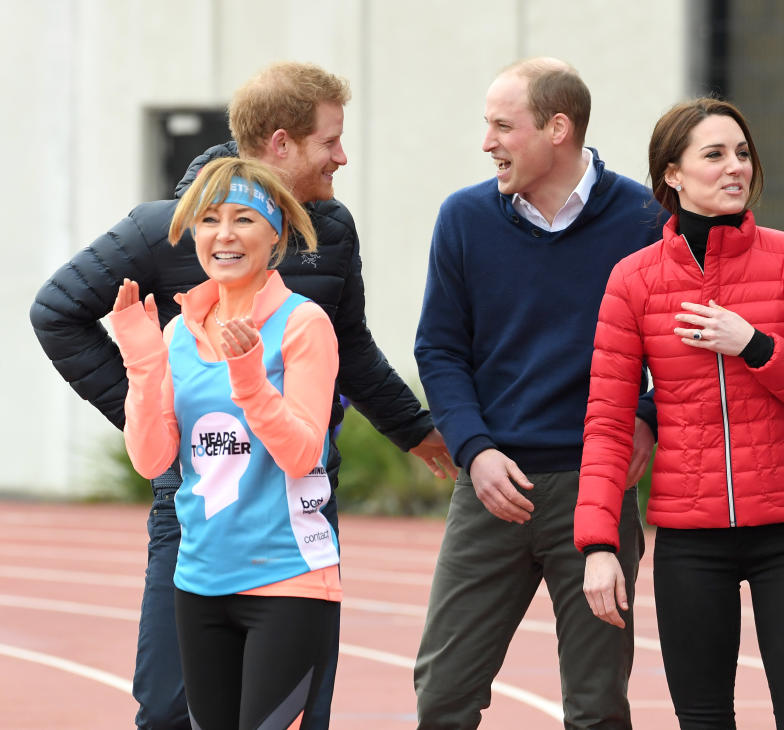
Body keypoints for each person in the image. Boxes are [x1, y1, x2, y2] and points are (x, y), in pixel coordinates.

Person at [30, 62, 454, 730]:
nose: (342, 157)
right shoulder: (162, 228)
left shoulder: (331, 231)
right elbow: (57, 312)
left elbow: (352, 346)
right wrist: (164, 424)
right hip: (197, 514)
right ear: (280, 144)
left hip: (297, 505)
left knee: (287, 719)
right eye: (329, 141)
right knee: (170, 714)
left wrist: (418, 430)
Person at [575, 97, 784, 729]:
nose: (735, 167)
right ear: (672, 174)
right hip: (690, 535)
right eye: (714, 155)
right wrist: (597, 543)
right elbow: (608, 422)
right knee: (703, 719)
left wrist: (754, 345)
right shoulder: (633, 281)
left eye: (742, 153)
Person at [413, 57, 664, 729]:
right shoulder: (464, 218)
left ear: (558, 128)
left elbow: (677, 347)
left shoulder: (644, 218)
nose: (487, 142)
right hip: (492, 485)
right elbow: (438, 349)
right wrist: (475, 450)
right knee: (442, 695)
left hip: (598, 486)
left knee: (597, 706)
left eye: (502, 126)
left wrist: (646, 418)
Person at [112, 156, 339, 728]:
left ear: (276, 234)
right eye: (209, 219)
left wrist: (249, 378)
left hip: (289, 580)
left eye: (244, 219)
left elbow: (302, 453)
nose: (224, 235)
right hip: (199, 580)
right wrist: (142, 363)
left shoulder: (303, 323)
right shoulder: (178, 330)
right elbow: (152, 459)